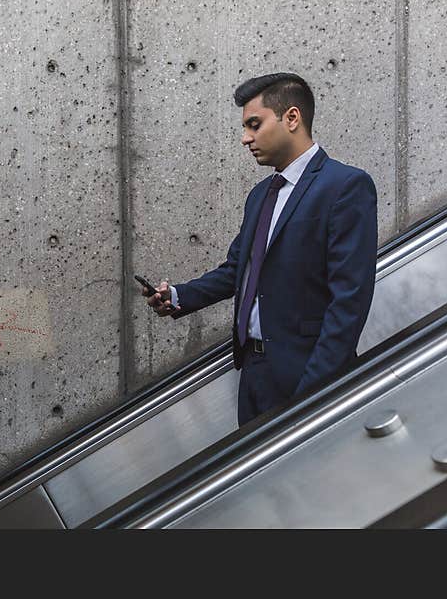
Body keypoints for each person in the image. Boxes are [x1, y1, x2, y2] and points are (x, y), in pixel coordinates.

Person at [143, 72, 377, 426]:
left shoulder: (345, 186)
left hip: (307, 376)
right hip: (253, 374)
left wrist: (313, 391)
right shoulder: (260, 196)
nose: (245, 138)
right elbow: (238, 269)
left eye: (254, 124)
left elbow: (350, 301)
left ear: (292, 118)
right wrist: (177, 296)